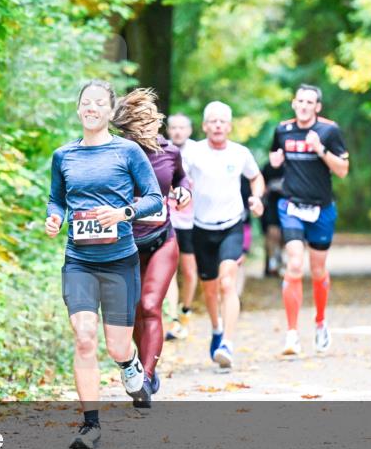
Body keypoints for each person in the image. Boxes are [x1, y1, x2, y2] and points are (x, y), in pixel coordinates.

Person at [46, 80, 164, 449]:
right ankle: (90, 424)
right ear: (79, 109)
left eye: (99, 103)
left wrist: (123, 213)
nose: (92, 108)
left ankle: (131, 367)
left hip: (119, 261)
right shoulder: (64, 155)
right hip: (79, 260)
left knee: (116, 348)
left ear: (111, 112)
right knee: (83, 339)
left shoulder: (127, 152)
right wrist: (54, 218)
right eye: (86, 102)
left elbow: (155, 199)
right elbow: (56, 199)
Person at [111, 91, 191, 408]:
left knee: (149, 305)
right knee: (131, 312)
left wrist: (183, 191)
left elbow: (181, 179)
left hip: (161, 239)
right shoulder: (116, 153)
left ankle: (144, 378)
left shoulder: (170, 152)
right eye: (127, 131)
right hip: (125, 243)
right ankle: (144, 367)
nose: (132, 136)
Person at [181, 101, 264, 370]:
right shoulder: (193, 153)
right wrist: (179, 193)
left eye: (222, 121)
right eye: (212, 121)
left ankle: (227, 343)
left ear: (229, 126)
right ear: (205, 126)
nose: (217, 125)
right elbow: (178, 177)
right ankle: (216, 328)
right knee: (210, 289)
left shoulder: (240, 153)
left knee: (228, 282)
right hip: (201, 227)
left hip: (231, 225)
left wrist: (257, 198)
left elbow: (256, 177)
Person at [269, 84, 350, 356]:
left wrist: (321, 150)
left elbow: (343, 171)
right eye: (300, 101)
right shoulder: (282, 130)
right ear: (294, 103)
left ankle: (320, 322)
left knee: (317, 271)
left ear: (317, 107)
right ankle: (292, 335)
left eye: (309, 102)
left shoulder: (329, 131)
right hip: (291, 206)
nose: (304, 106)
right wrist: (275, 161)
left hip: (322, 209)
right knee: (294, 264)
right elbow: (273, 158)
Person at [164, 114, 198, 341]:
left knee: (188, 270)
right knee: (169, 269)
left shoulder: (199, 152)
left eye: (181, 127)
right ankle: (173, 318)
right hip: (167, 218)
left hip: (192, 220)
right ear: (168, 130)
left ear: (189, 130)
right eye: (173, 127)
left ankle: (185, 311)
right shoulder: (161, 150)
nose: (177, 131)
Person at [260, 160, 286, 277]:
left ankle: (278, 258)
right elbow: (261, 185)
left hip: (288, 204)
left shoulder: (292, 165)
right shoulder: (268, 167)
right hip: (271, 205)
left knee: (284, 236)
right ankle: (271, 262)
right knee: (271, 233)